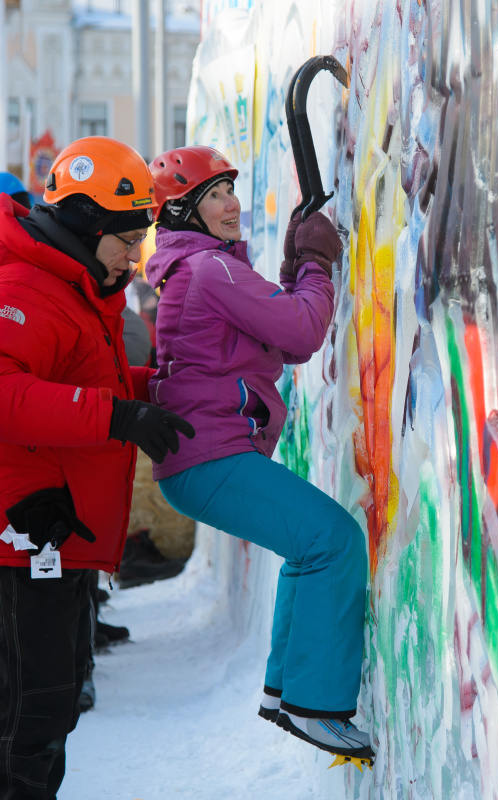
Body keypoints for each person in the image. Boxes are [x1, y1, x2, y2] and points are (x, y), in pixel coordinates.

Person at [146, 145, 373, 763]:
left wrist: (301, 263)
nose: (231, 205)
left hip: (203, 460)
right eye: (213, 196)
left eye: (229, 190)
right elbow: (303, 329)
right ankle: (316, 705)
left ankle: (286, 692)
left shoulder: (201, 270)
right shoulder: (210, 271)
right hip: (210, 458)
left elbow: (285, 338)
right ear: (183, 213)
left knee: (309, 549)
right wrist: (319, 261)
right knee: (333, 541)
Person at [0, 135, 195, 798]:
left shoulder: (80, 288)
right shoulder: (28, 288)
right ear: (85, 222)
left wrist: (159, 390)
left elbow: (85, 382)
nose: (135, 253)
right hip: (20, 543)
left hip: (55, 541)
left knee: (49, 709)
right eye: (127, 235)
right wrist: (117, 417)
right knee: (24, 716)